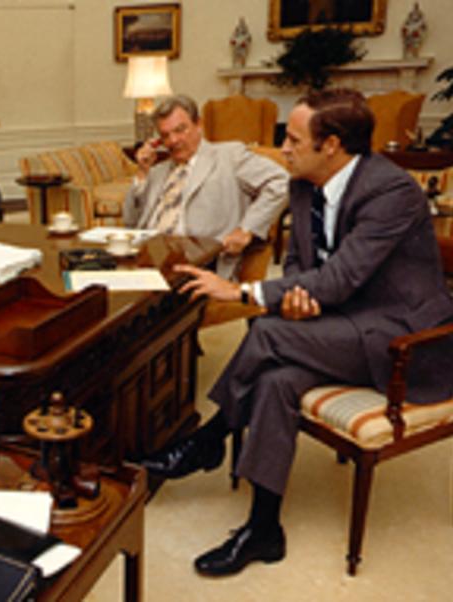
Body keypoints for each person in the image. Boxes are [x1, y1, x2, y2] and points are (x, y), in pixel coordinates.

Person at [142, 89, 453, 576]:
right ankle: (264, 529)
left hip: (399, 337)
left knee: (266, 333)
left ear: (330, 145)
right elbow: (298, 265)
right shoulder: (304, 183)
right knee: (274, 380)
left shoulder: (392, 191)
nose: (282, 148)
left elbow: (337, 280)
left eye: (292, 138)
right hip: (336, 321)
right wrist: (295, 298)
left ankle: (208, 439)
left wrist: (243, 292)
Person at [123, 94, 288, 280]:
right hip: (148, 260)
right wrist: (142, 173)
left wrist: (247, 229)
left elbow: (281, 182)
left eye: (180, 130)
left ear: (198, 124)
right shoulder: (158, 171)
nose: (173, 141)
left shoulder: (229, 156)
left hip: (198, 265)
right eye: (165, 135)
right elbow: (130, 223)